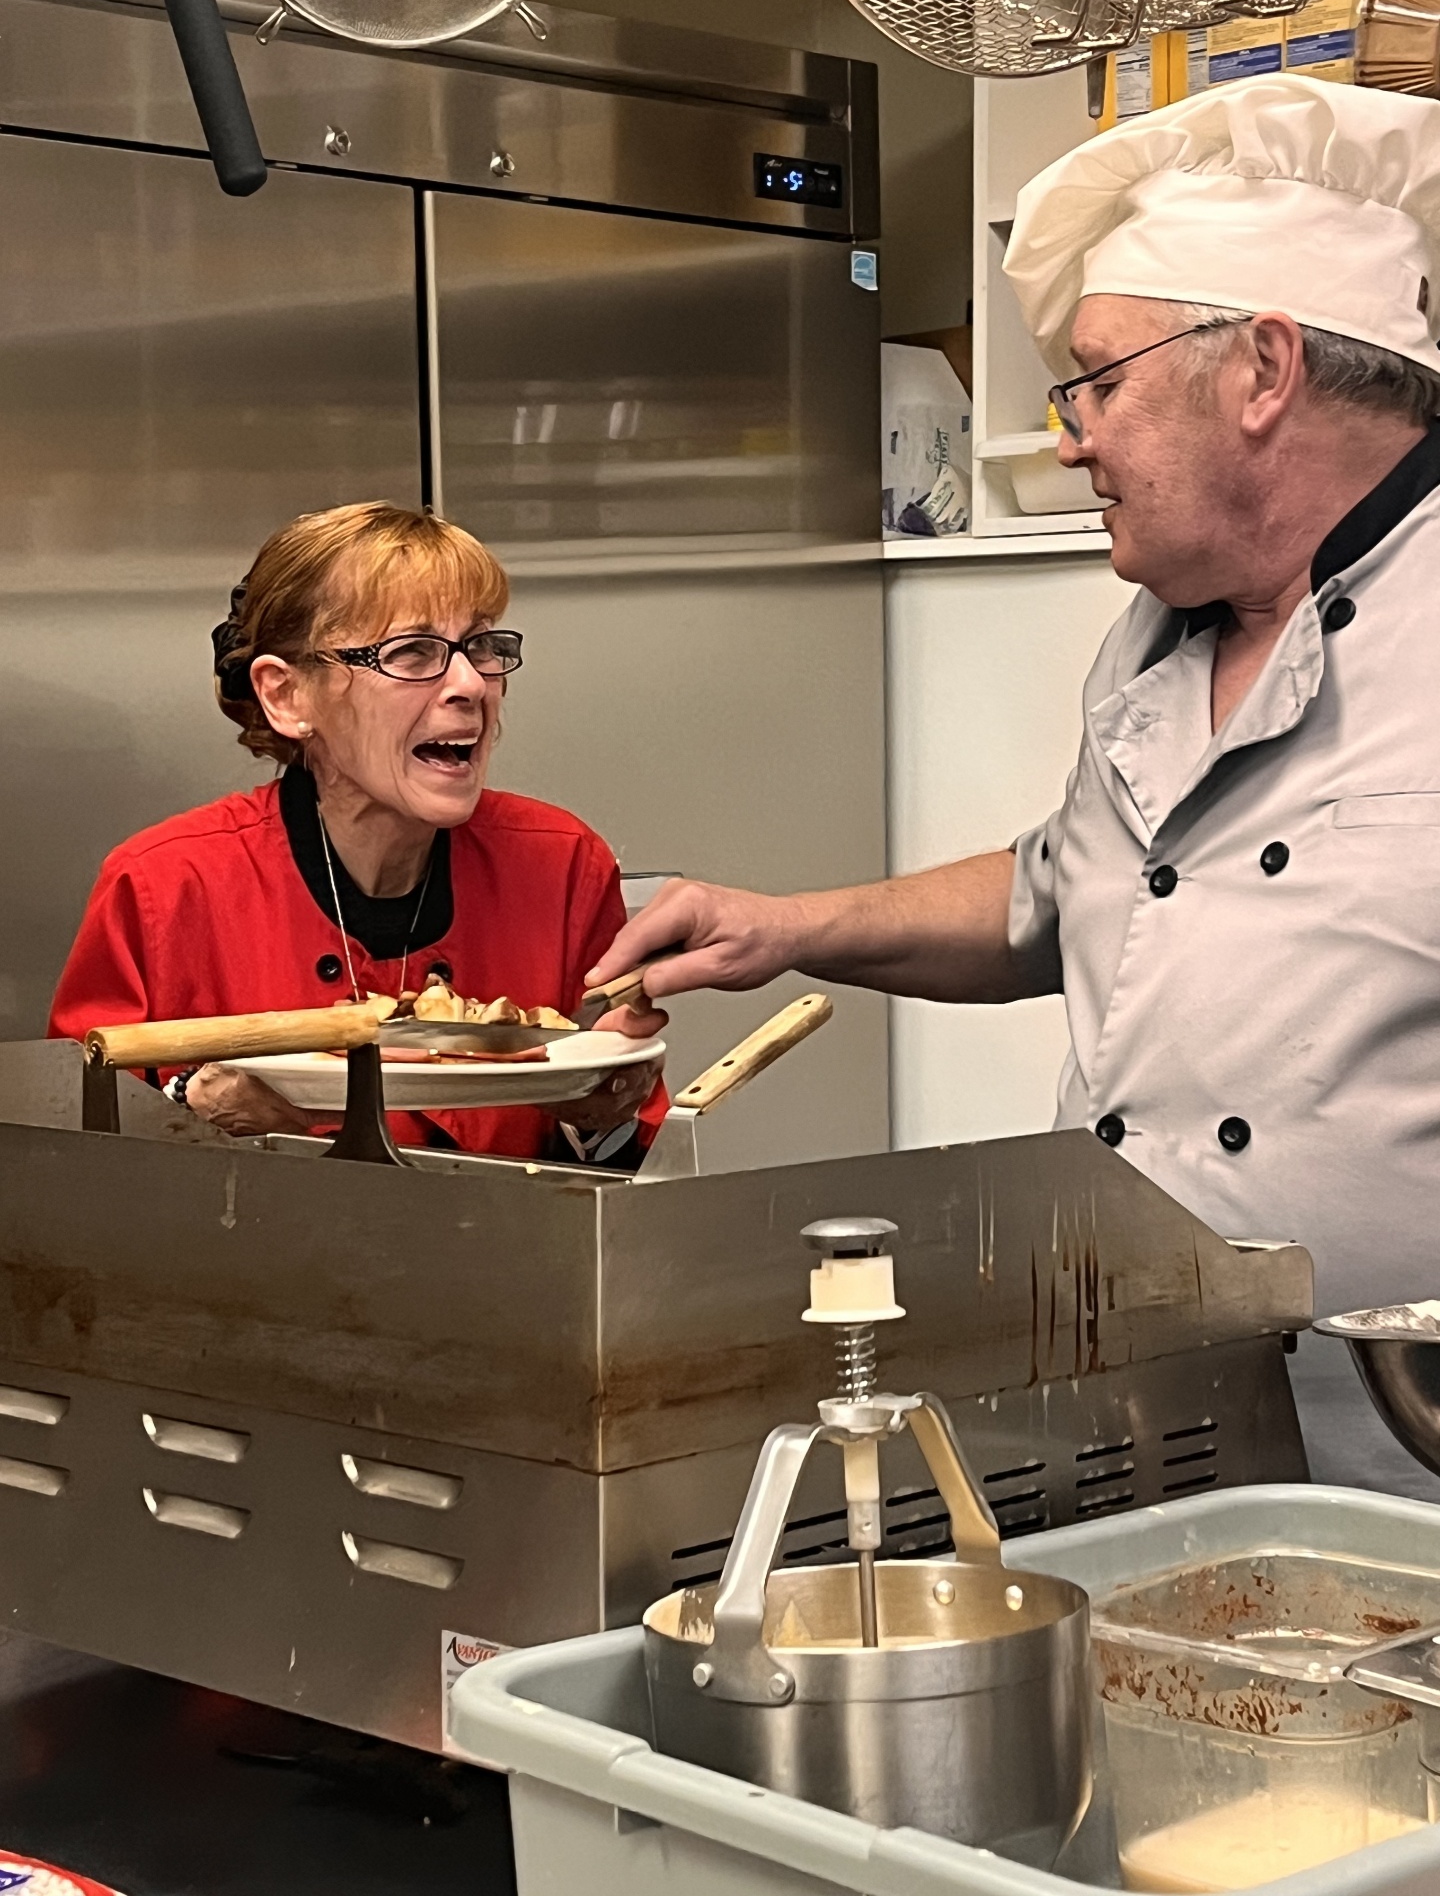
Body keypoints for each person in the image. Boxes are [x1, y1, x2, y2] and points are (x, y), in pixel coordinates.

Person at [587, 76, 1440, 1494]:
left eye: (1101, 381)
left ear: (1264, 369)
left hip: (1396, 1456)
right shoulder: (1153, 644)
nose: (1070, 435)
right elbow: (1065, 895)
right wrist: (791, 928)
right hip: (1139, 1421)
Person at [51, 502, 665, 1164]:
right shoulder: (167, 886)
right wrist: (193, 1107)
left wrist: (602, 1116)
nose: (469, 684)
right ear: (287, 697)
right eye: (412, 652)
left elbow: (619, 1159)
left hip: (504, 1258)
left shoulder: (560, 865)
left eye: (481, 646)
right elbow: (75, 1146)